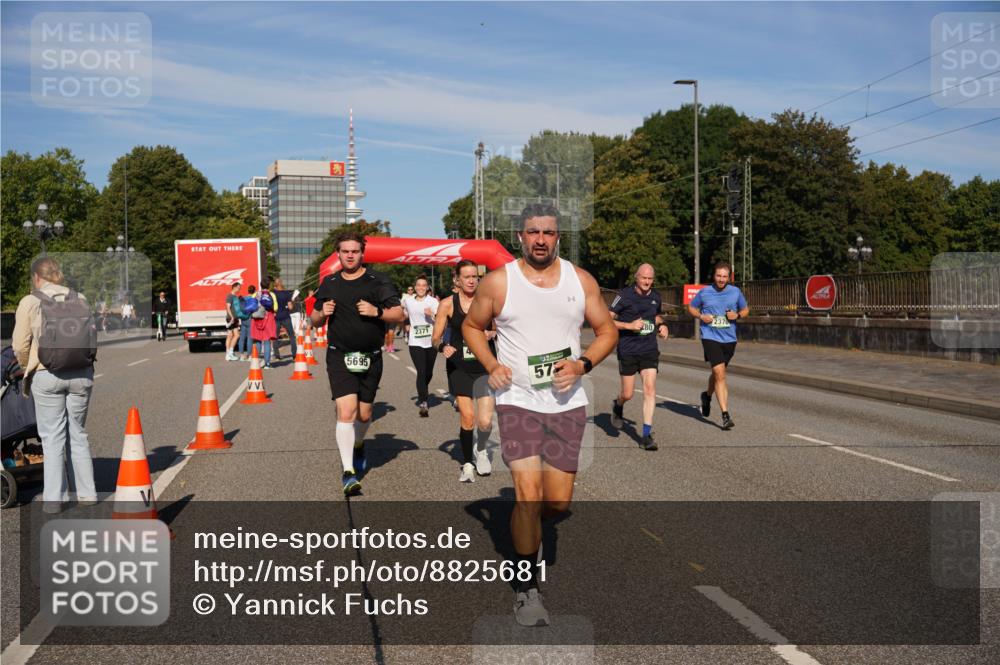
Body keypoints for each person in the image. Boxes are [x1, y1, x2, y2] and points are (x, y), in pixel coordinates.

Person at [463, 203, 617, 627]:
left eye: (548, 232)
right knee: (528, 494)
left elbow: (608, 331)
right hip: (518, 400)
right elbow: (472, 326)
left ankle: (529, 525)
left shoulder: (579, 280)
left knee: (557, 502)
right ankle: (528, 590)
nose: (541, 240)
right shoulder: (499, 282)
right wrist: (492, 366)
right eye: (533, 232)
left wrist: (582, 364)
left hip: (567, 404)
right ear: (520, 236)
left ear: (558, 238)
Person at [311, 233, 404, 496]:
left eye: (355, 251)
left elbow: (399, 314)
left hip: (371, 356)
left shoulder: (378, 281)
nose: (350, 255)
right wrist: (321, 314)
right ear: (337, 254)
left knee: (364, 415)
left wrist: (377, 312)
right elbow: (314, 320)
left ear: (362, 254)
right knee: (346, 411)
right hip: (339, 355)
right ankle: (349, 471)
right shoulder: (329, 282)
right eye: (345, 251)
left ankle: (359, 442)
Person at [12, 257, 97, 511]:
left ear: (36, 277)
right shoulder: (79, 298)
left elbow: (19, 344)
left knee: (52, 438)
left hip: (47, 374)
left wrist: (29, 366)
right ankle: (88, 494)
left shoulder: (30, 301)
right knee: (78, 434)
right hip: (81, 373)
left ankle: (54, 500)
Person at [433, 260, 496, 482]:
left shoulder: (488, 301)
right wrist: (443, 346)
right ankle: (468, 463)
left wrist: (491, 334)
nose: (471, 280)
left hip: (485, 365)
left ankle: (481, 450)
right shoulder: (448, 304)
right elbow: (435, 337)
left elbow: (498, 328)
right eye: (466, 277)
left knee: (486, 421)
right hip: (459, 365)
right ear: (456, 280)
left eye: (474, 277)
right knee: (468, 417)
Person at [609, 264, 669, 450]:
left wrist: (663, 325)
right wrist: (628, 326)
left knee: (650, 390)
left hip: (649, 349)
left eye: (650, 279)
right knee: (628, 393)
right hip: (627, 349)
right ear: (636, 277)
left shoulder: (655, 297)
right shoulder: (624, 296)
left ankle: (646, 435)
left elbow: (656, 316)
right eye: (644, 278)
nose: (647, 282)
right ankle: (618, 405)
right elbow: (606, 319)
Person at [687, 261, 749, 430]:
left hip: (729, 339)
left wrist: (737, 315)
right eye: (718, 276)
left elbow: (745, 310)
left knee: (717, 373)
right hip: (710, 337)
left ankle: (706, 396)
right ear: (714, 276)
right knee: (720, 374)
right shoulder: (705, 292)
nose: (721, 279)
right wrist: (701, 316)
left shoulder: (735, 292)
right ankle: (725, 415)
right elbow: (691, 308)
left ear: (729, 277)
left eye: (724, 276)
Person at [402, 275, 439, 417]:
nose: (421, 288)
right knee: (421, 372)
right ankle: (423, 402)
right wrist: (405, 325)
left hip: (431, 341)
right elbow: (403, 315)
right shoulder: (408, 301)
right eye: (419, 285)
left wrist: (432, 315)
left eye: (424, 285)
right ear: (415, 287)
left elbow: (442, 320)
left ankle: (423, 388)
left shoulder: (433, 301)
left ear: (428, 287)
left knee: (429, 373)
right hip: (415, 341)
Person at [251, 278, 278, 369]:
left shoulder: (255, 294)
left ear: (261, 285)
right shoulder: (272, 294)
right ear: (269, 285)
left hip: (257, 319)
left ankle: (256, 362)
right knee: (267, 341)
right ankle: (267, 364)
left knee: (257, 340)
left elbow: (251, 306)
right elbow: (275, 308)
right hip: (268, 318)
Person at [272, 278, 297, 362]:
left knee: (275, 337)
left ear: (275, 284)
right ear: (281, 283)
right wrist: (292, 302)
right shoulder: (286, 293)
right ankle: (294, 355)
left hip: (276, 318)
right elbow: (290, 307)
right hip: (286, 316)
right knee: (292, 336)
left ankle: (277, 356)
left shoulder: (273, 294)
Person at [225, 282, 242, 361]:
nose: (239, 289)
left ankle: (229, 354)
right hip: (231, 318)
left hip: (235, 318)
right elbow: (228, 307)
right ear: (234, 287)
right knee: (234, 335)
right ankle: (229, 353)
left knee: (232, 335)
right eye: (238, 287)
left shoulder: (235, 296)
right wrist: (232, 317)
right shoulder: (230, 296)